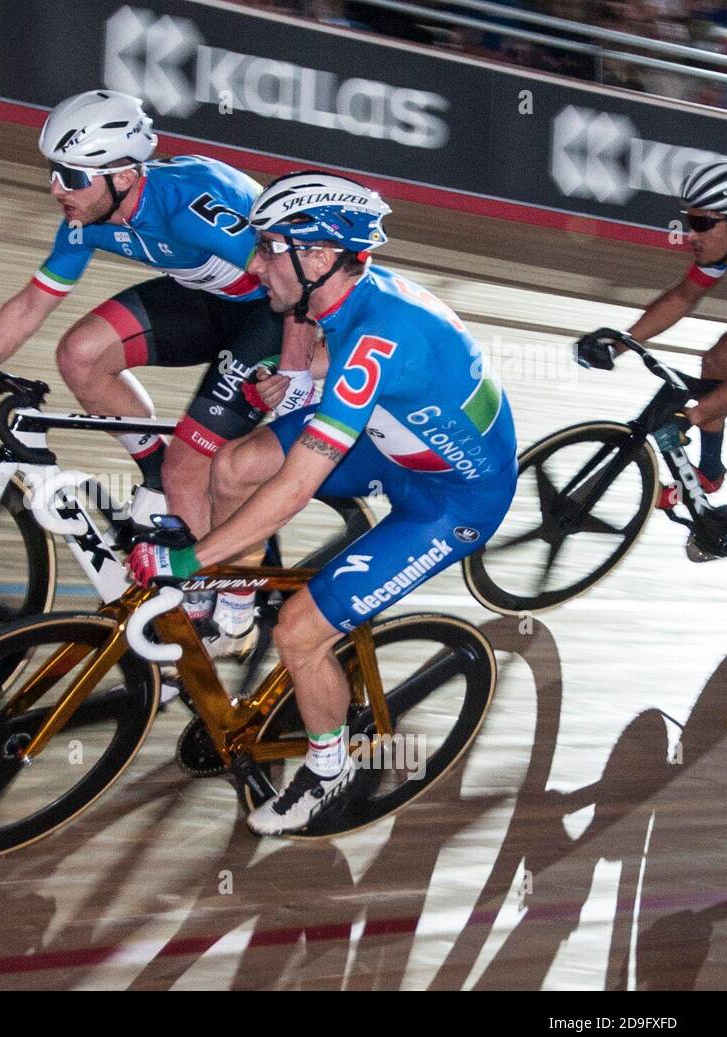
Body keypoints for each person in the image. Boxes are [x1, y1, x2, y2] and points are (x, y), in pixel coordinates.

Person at [127, 172, 519, 835]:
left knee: (302, 631)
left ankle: (327, 770)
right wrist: (297, 378)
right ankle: (234, 614)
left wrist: (190, 556)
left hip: (452, 499)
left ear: (317, 256)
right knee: (235, 464)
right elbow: (320, 372)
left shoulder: (376, 338)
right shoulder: (336, 297)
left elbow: (296, 488)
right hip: (394, 444)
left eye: (270, 247)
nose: (257, 263)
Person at [0, 89, 318, 651]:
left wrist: (293, 372)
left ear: (122, 175)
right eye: (54, 172)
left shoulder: (193, 204)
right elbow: (31, 306)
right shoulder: (87, 218)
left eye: (71, 176)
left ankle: (235, 609)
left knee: (196, 464)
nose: (55, 189)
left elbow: (297, 288)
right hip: (205, 298)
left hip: (270, 310)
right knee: (80, 353)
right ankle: (157, 469)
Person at [576, 159, 727, 508]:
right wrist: (618, 345)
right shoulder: (718, 248)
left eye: (703, 223)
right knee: (719, 359)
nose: (692, 234)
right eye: (691, 220)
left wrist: (692, 417)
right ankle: (709, 472)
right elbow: (683, 296)